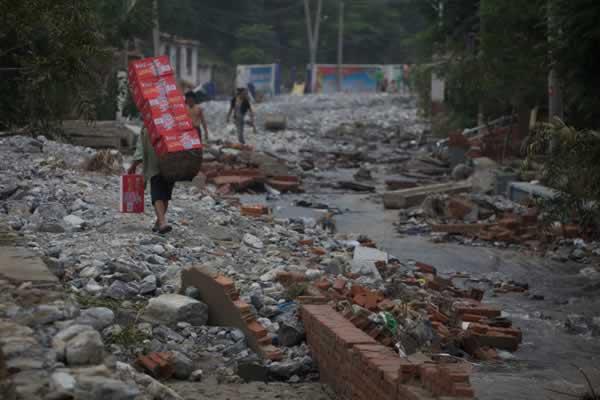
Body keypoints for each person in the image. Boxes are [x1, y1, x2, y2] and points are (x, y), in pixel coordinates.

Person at [128, 128, 174, 234]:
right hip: (171, 164)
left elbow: (140, 149)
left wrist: (133, 165)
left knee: (161, 195)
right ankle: (162, 223)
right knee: (162, 194)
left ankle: (159, 223)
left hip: (156, 164)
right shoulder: (171, 123)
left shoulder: (148, 126)